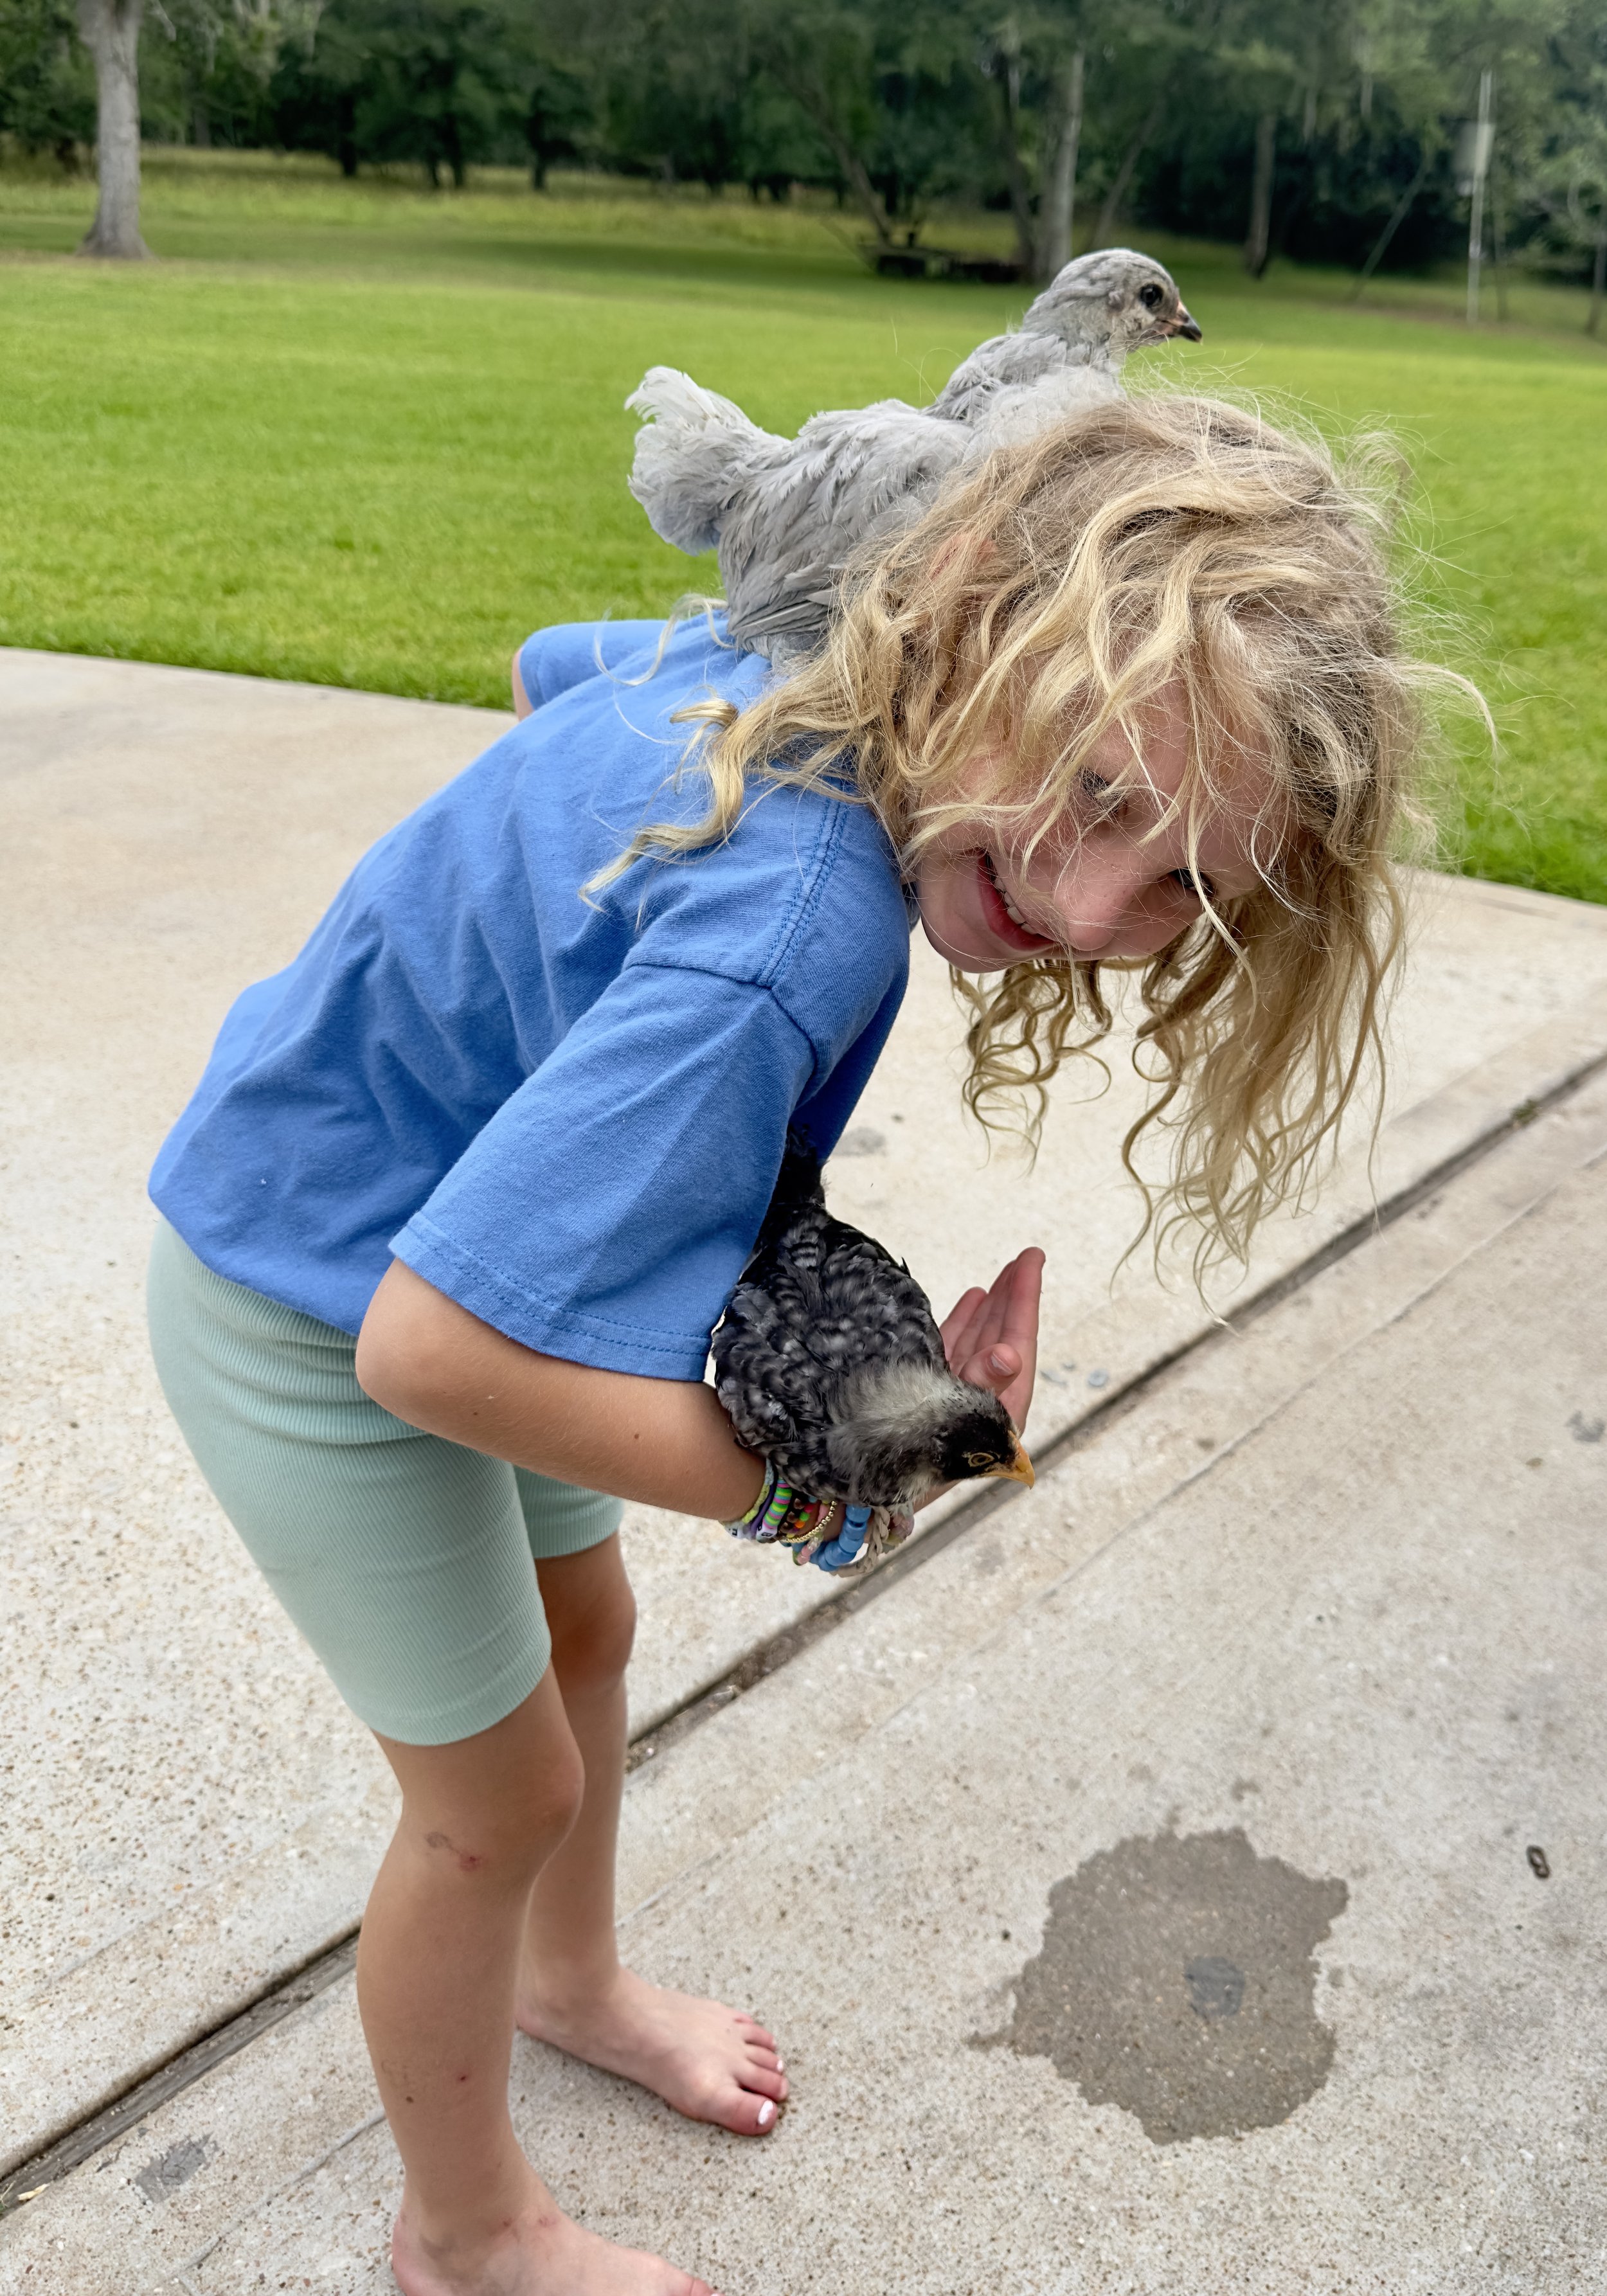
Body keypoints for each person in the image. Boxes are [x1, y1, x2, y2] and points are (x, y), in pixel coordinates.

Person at [147, 395, 1434, 2296]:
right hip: (307, 1298)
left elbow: (550, 671)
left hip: (407, 1205)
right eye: (1087, 786)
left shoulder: (793, 665)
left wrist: (543, 970)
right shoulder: (794, 929)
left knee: (585, 1634)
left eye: (1180, 884)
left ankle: (569, 1985)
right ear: (974, 615)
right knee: (491, 1800)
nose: (1084, 906)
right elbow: (428, 1360)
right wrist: (842, 1473)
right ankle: (466, 2229)